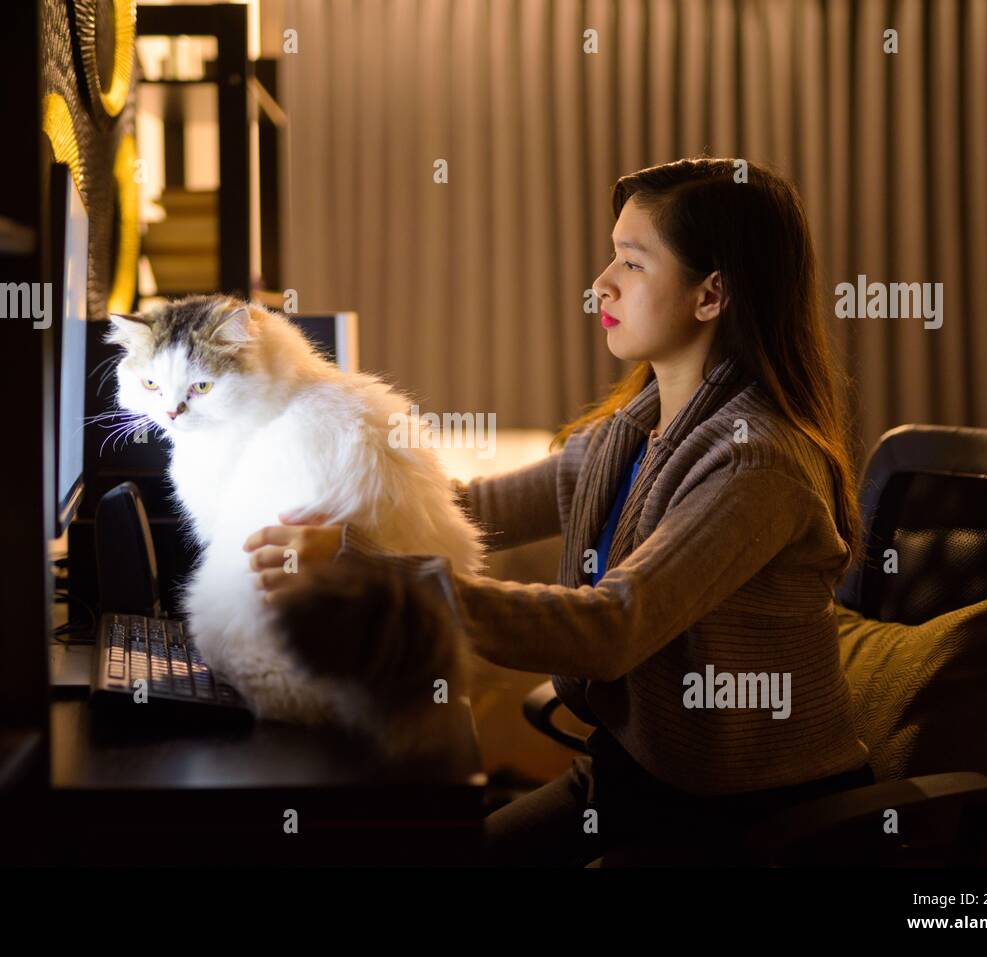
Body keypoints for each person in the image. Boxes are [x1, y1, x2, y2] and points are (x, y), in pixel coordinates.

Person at [243, 157, 874, 866]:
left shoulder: (756, 463)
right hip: (634, 778)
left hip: (741, 817)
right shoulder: (632, 429)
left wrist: (374, 577)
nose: (600, 284)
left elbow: (610, 626)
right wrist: (334, 514)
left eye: (631, 264)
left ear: (711, 294)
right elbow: (472, 509)